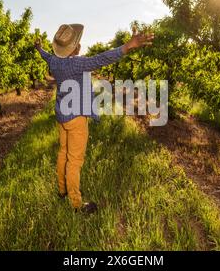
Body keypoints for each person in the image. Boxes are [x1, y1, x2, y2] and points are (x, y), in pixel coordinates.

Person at [35, 24, 154, 214]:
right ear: (73, 48)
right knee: (74, 161)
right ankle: (75, 204)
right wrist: (128, 46)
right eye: (77, 43)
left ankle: (62, 190)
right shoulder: (77, 63)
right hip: (76, 119)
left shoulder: (54, 62)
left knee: (63, 152)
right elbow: (102, 59)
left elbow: (46, 55)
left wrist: (39, 48)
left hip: (62, 115)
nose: (79, 45)